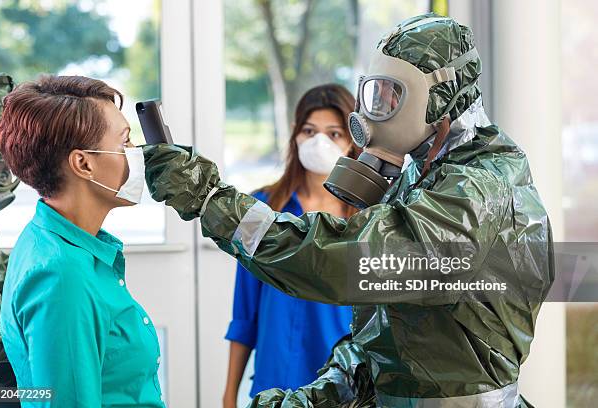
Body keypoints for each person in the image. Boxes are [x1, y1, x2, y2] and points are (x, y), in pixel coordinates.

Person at [142, 14, 553, 407]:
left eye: (392, 97)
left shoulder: (479, 188)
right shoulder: (422, 178)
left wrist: (210, 200)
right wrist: (322, 395)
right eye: (373, 94)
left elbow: (344, 261)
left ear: (439, 98)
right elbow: (383, 335)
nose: (372, 114)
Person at [0, 76, 165, 407]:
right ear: (83, 163)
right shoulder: (63, 275)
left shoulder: (54, 241)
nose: (137, 154)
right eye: (125, 142)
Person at [223, 84, 361, 406]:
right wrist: (229, 394)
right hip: (277, 384)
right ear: (295, 135)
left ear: (353, 141)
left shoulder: (369, 217)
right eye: (309, 130)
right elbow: (245, 311)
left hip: (348, 387)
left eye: (334, 133)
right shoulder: (260, 208)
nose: (319, 142)